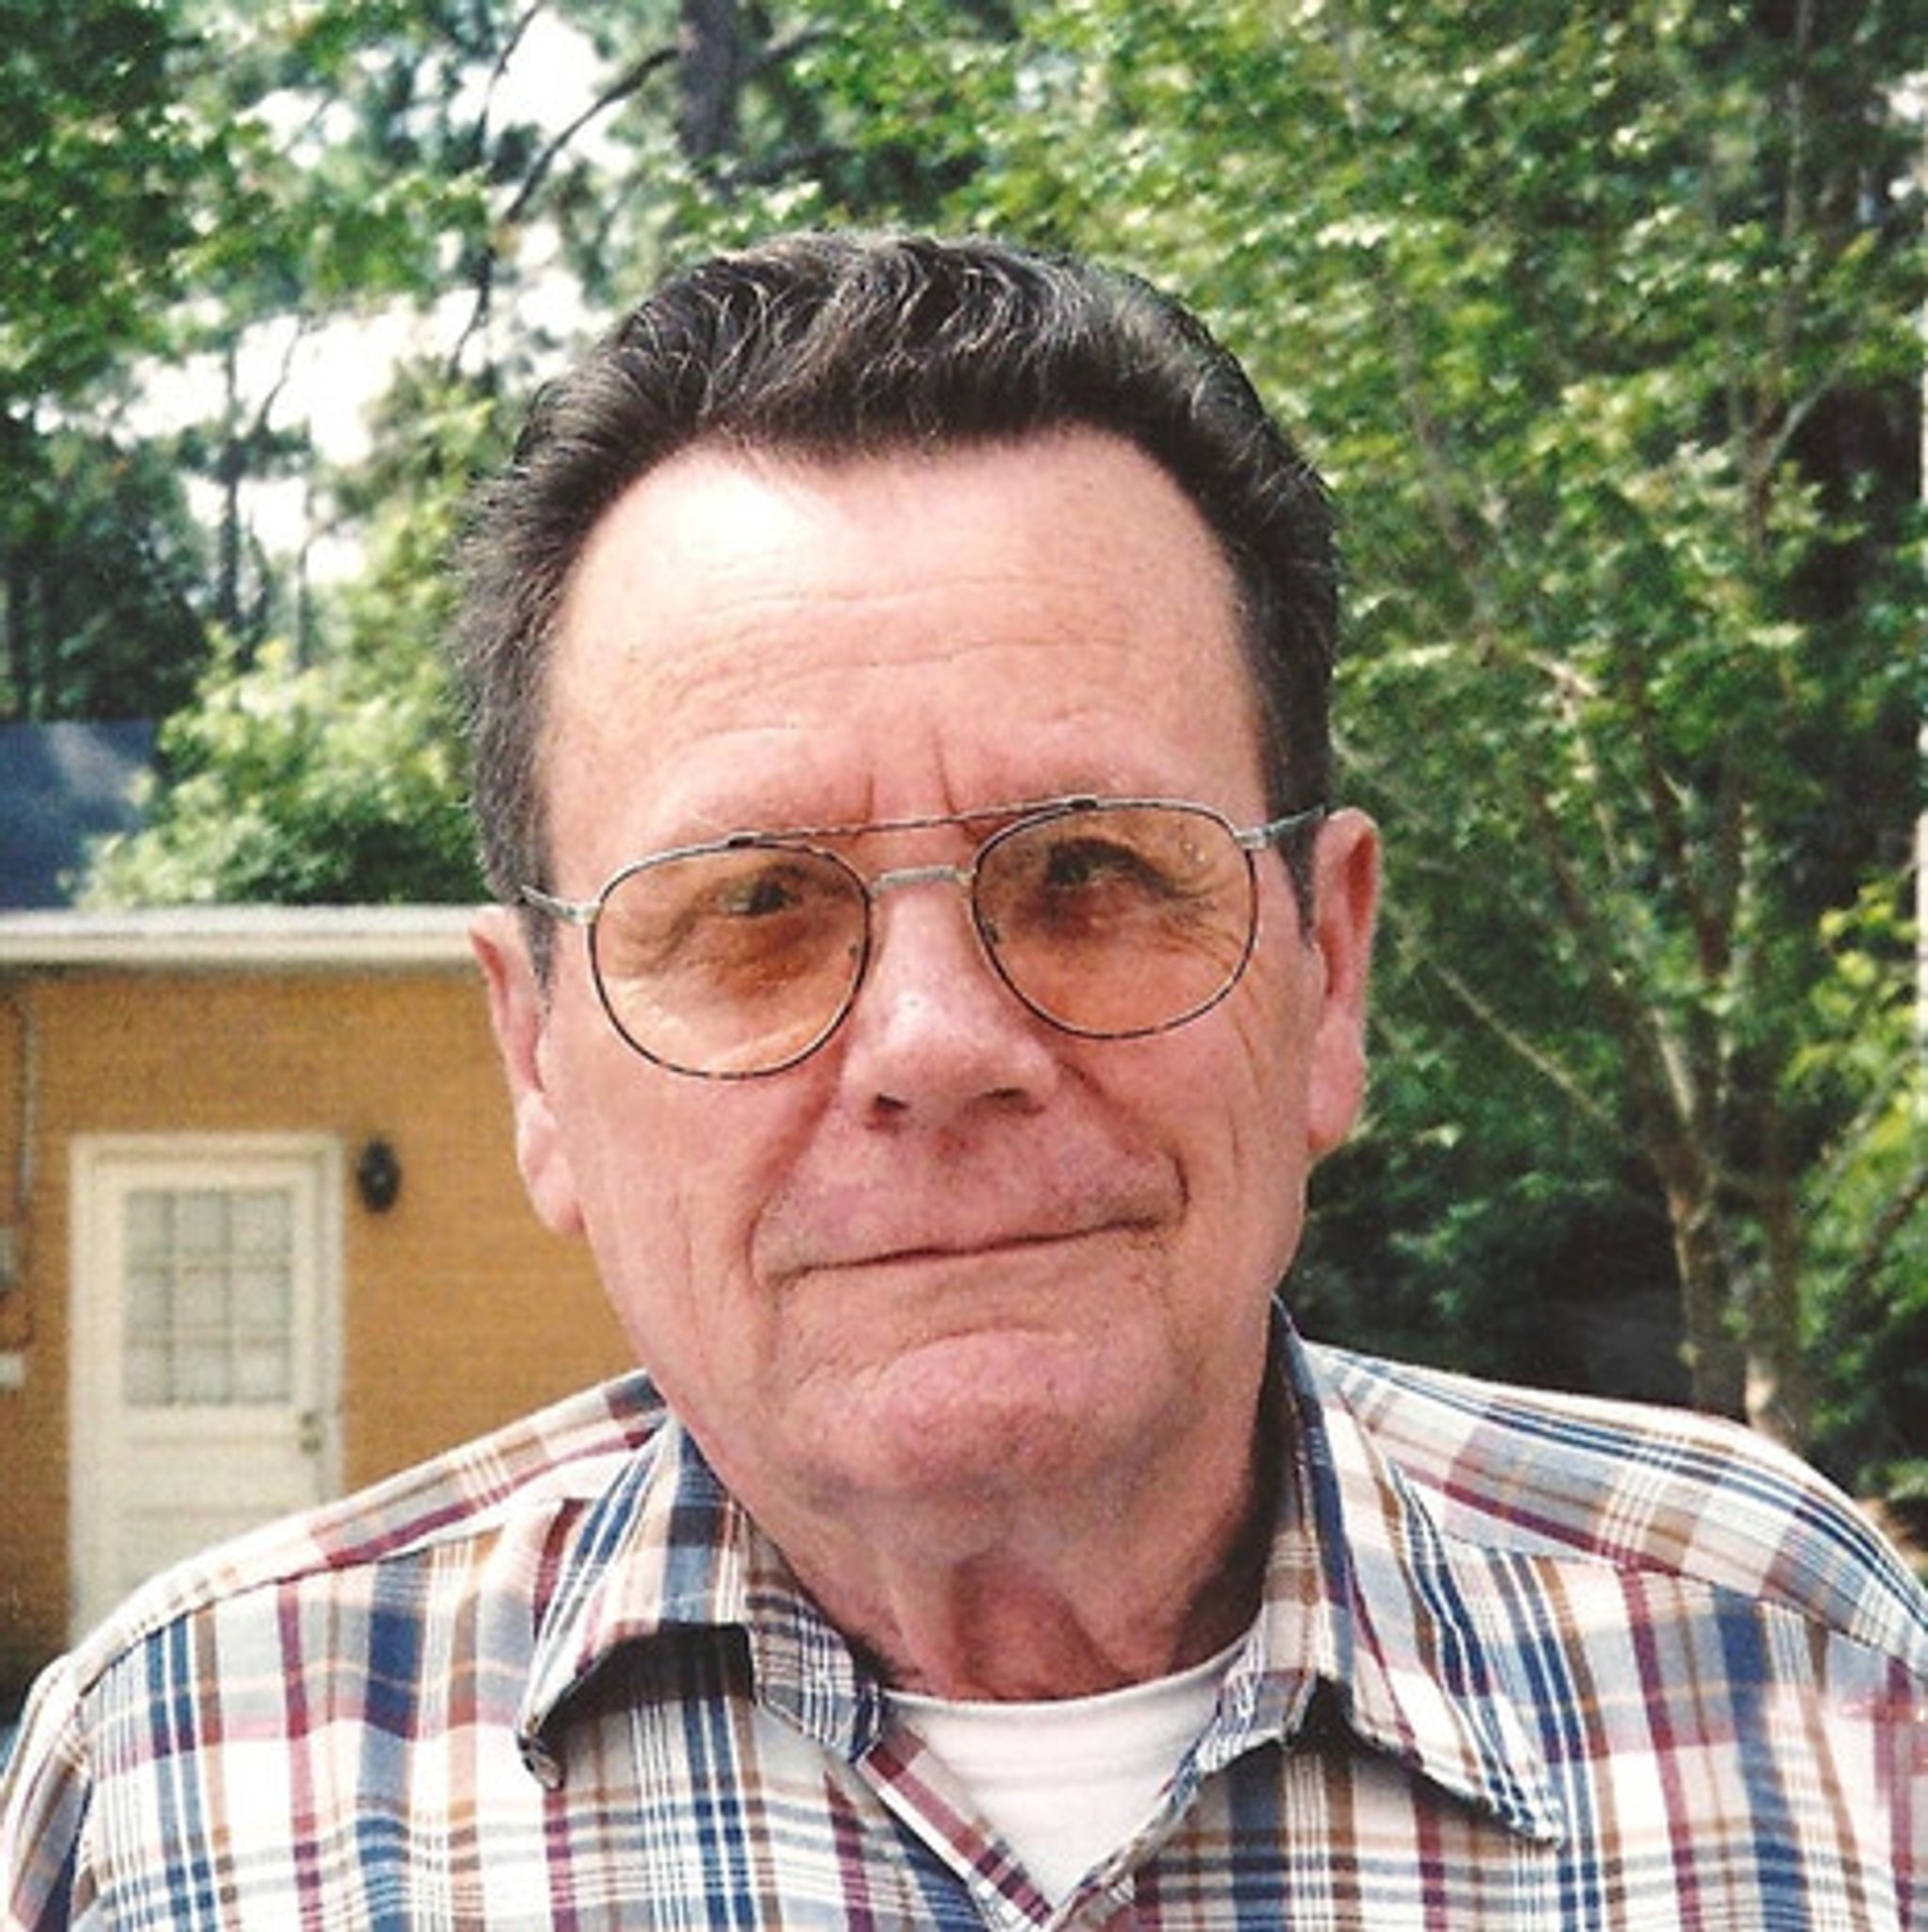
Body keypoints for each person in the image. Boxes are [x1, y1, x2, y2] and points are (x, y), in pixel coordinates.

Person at [3, 231, 1922, 1928]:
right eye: (755, 906)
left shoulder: (1796, 1673)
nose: (935, 1043)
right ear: (536, 1058)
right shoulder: (189, 1792)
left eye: (1088, 871)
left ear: (1324, 968)